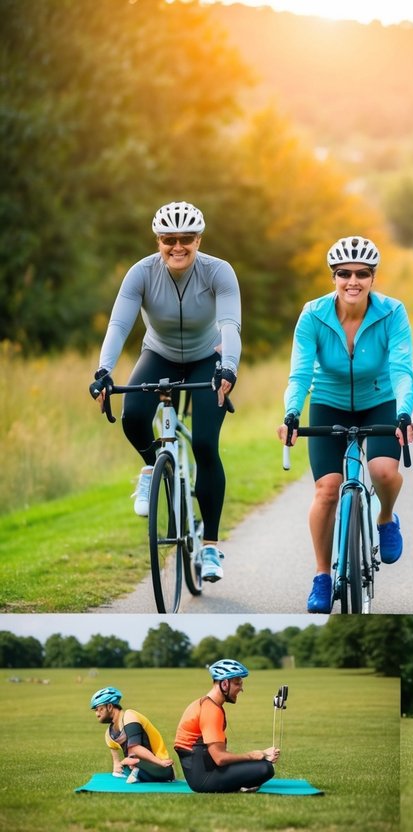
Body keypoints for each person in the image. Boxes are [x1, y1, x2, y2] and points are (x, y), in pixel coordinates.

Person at [90, 201, 241, 581]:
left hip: (209, 358)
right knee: (133, 416)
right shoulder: (140, 274)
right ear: (158, 240)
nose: (177, 246)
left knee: (206, 444)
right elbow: (119, 326)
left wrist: (228, 367)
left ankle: (209, 547)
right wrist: (104, 370)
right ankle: (151, 465)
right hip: (159, 354)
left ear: (198, 239)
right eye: (168, 239)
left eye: (185, 239)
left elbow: (230, 324)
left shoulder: (218, 271)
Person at [279, 236, 413, 613]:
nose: (352, 281)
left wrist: (404, 413)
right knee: (327, 489)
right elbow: (300, 374)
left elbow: (402, 370)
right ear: (333, 276)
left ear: (373, 277)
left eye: (361, 274)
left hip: (380, 401)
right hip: (329, 402)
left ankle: (386, 518)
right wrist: (292, 413)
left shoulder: (392, 312)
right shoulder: (313, 314)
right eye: (344, 274)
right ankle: (322, 575)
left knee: (384, 471)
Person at [174, 659, 278, 793]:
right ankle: (240, 785)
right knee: (265, 768)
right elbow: (220, 758)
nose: (241, 688)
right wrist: (254, 755)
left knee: (261, 764)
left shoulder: (206, 704)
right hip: (203, 780)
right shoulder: (211, 710)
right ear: (224, 684)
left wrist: (261, 754)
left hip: (203, 770)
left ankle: (240, 784)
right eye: (237, 683)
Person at [90, 686, 175, 783]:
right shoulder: (109, 734)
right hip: (136, 765)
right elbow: (116, 767)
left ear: (109, 707)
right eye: (95, 710)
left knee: (130, 760)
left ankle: (138, 772)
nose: (97, 714)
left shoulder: (129, 716)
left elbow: (135, 748)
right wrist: (121, 765)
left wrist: (160, 762)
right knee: (129, 763)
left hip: (161, 766)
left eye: (99, 709)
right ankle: (137, 772)